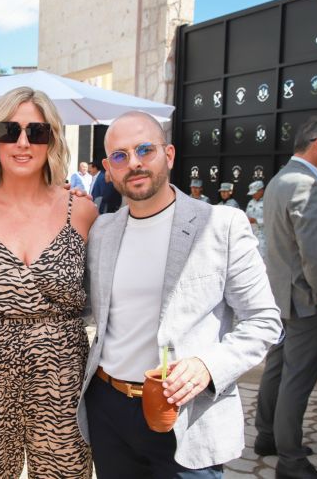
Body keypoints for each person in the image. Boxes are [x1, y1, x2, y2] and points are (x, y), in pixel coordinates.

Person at [76, 111, 282, 477]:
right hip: (108, 409)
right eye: (121, 156)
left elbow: (264, 321)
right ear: (108, 169)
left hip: (185, 412)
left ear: (168, 155)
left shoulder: (221, 225)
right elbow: (86, 309)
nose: (135, 163)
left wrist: (208, 366)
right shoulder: (103, 230)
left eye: (144, 149)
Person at [0, 87, 98, 478]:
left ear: (53, 139)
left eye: (37, 132)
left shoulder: (82, 211)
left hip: (62, 374)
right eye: (10, 131)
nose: (23, 142)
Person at [254, 115, 317, 479]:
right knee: (297, 378)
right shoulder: (306, 185)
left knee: (278, 370)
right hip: (307, 301)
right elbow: (314, 253)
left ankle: (268, 436)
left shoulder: (282, 180)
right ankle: (291, 459)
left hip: (284, 297)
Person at [245, 180, 266, 259]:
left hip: (263, 236)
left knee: (262, 258)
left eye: (254, 193)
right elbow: (246, 214)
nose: (253, 195)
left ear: (261, 191)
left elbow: (270, 218)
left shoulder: (267, 202)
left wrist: (256, 220)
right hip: (251, 234)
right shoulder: (250, 202)